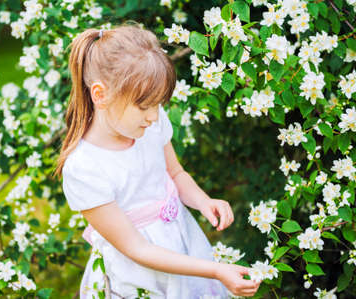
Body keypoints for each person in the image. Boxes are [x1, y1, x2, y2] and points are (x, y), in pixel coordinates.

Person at [55, 24, 261, 299]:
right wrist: (215, 270)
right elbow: (137, 249)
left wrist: (203, 201)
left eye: (158, 104)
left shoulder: (149, 125)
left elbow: (174, 173)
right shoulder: (85, 168)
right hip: (139, 274)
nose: (154, 116)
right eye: (144, 106)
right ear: (101, 95)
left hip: (182, 244)